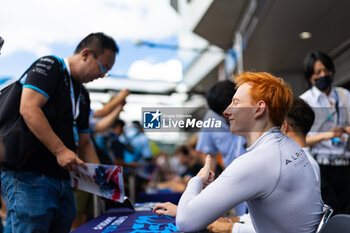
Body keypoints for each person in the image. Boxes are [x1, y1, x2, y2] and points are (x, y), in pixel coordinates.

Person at [175, 72, 323, 233]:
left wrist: (197, 180)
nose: (227, 111)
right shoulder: (290, 146)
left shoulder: (257, 161)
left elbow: (185, 222)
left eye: (235, 103)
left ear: (259, 109)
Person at [1, 32, 118, 233]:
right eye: (103, 67)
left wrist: (102, 180)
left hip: (63, 179)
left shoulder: (82, 95)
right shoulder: (50, 66)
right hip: (29, 174)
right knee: (31, 225)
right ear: (86, 54)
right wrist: (60, 151)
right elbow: (29, 108)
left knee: (63, 223)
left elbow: (85, 142)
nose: (102, 74)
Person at [300, 51, 350, 215]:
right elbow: (299, 140)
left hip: (345, 164)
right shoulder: (305, 101)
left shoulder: (344, 95)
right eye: (318, 72)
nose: (323, 75)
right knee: (332, 214)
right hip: (321, 166)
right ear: (310, 77)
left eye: (326, 70)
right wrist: (327, 135)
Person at [196, 80, 247, 216]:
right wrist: (208, 180)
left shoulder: (250, 112)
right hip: (234, 181)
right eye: (222, 113)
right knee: (242, 218)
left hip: (257, 175)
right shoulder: (210, 120)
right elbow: (209, 153)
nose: (227, 115)